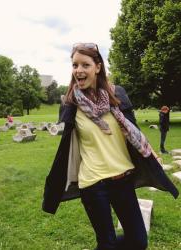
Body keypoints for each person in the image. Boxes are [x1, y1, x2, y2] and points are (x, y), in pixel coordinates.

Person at [42, 43, 179, 250]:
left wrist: (150, 151)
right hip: (93, 183)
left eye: (85, 65)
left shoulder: (118, 95)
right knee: (107, 243)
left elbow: (133, 130)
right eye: (74, 65)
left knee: (138, 241)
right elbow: (66, 143)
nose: (78, 70)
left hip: (123, 178)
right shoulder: (70, 103)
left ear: (97, 67)